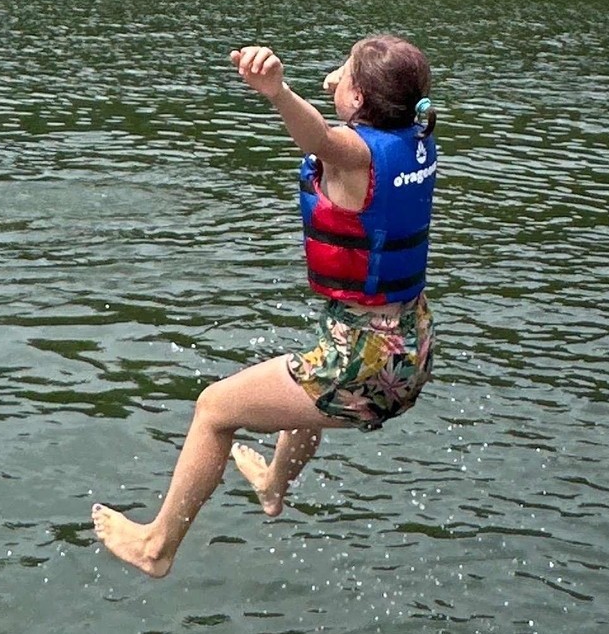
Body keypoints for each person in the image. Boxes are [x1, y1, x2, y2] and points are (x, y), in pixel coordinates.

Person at [93, 35, 438, 578]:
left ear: (359, 102)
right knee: (303, 386)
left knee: (213, 410)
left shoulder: (355, 155)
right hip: (408, 348)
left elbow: (320, 137)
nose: (334, 75)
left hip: (366, 362)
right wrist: (344, 81)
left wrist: (277, 92)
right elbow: (350, 119)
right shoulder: (415, 139)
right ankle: (275, 486)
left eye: (343, 71)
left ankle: (156, 547)